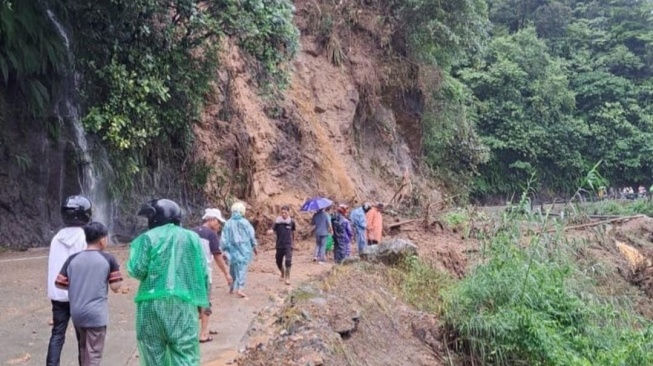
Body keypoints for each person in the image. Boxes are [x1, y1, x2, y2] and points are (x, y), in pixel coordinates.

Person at [127, 199, 208, 366]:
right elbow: (201, 274)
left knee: (153, 355)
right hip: (183, 304)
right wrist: (202, 305)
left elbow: (137, 270)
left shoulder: (147, 238)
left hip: (151, 306)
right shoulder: (192, 238)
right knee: (185, 354)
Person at [55, 221, 123, 366]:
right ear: (102, 240)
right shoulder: (108, 259)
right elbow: (115, 286)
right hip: (96, 315)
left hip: (77, 313)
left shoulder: (72, 259)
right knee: (94, 355)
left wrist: (79, 285)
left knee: (83, 348)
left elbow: (59, 284)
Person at [47, 195, 92, 366]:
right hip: (78, 294)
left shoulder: (57, 237)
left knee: (57, 334)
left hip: (58, 294)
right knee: (83, 336)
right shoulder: (84, 238)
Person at [192, 208, 233, 343]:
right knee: (205, 304)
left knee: (192, 303)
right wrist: (226, 273)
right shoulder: (211, 234)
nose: (219, 226)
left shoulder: (191, 232)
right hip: (204, 274)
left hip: (189, 273)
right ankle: (203, 334)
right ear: (212, 220)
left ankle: (192, 331)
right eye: (218, 222)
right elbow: (217, 256)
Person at [221, 201, 258, 298]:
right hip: (244, 249)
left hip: (231, 249)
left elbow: (223, 238)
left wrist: (224, 249)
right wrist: (254, 246)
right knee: (242, 268)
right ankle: (240, 288)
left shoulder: (227, 223)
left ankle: (231, 287)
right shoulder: (245, 223)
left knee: (232, 268)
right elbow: (251, 235)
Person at [266, 205, 296, 285]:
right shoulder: (277, 222)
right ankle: (282, 272)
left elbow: (293, 232)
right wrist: (270, 232)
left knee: (288, 260)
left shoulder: (291, 222)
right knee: (278, 261)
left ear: (288, 212)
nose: (283, 214)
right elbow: (273, 229)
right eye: (282, 213)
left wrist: (293, 242)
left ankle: (287, 278)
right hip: (279, 245)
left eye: (285, 213)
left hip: (288, 245)